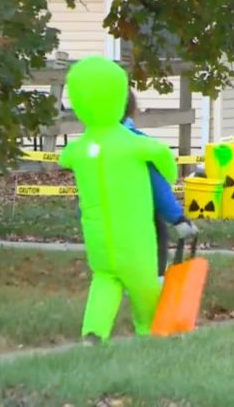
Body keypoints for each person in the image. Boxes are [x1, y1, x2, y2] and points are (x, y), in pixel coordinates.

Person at [58, 56, 177, 343]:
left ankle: (94, 332)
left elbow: (65, 159)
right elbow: (163, 169)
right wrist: (177, 216)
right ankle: (149, 329)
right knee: (144, 284)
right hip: (134, 236)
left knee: (104, 280)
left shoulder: (79, 148)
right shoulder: (134, 143)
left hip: (98, 238)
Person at [121, 90, 198, 282]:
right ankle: (155, 282)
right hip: (140, 213)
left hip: (103, 219)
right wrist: (177, 219)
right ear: (132, 110)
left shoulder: (91, 145)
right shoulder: (136, 142)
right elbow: (156, 185)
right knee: (156, 246)